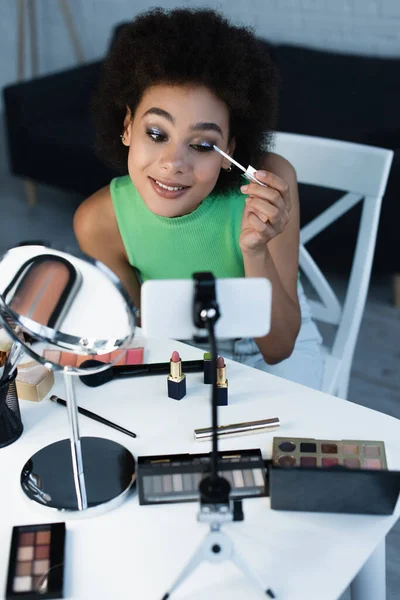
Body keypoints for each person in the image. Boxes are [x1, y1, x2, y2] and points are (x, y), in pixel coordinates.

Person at [73, 7, 324, 390]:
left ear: (231, 150)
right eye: (157, 134)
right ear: (126, 128)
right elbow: (143, 333)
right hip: (178, 340)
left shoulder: (267, 188)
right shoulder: (99, 223)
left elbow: (278, 348)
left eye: (203, 145)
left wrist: (255, 250)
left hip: (267, 331)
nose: (173, 163)